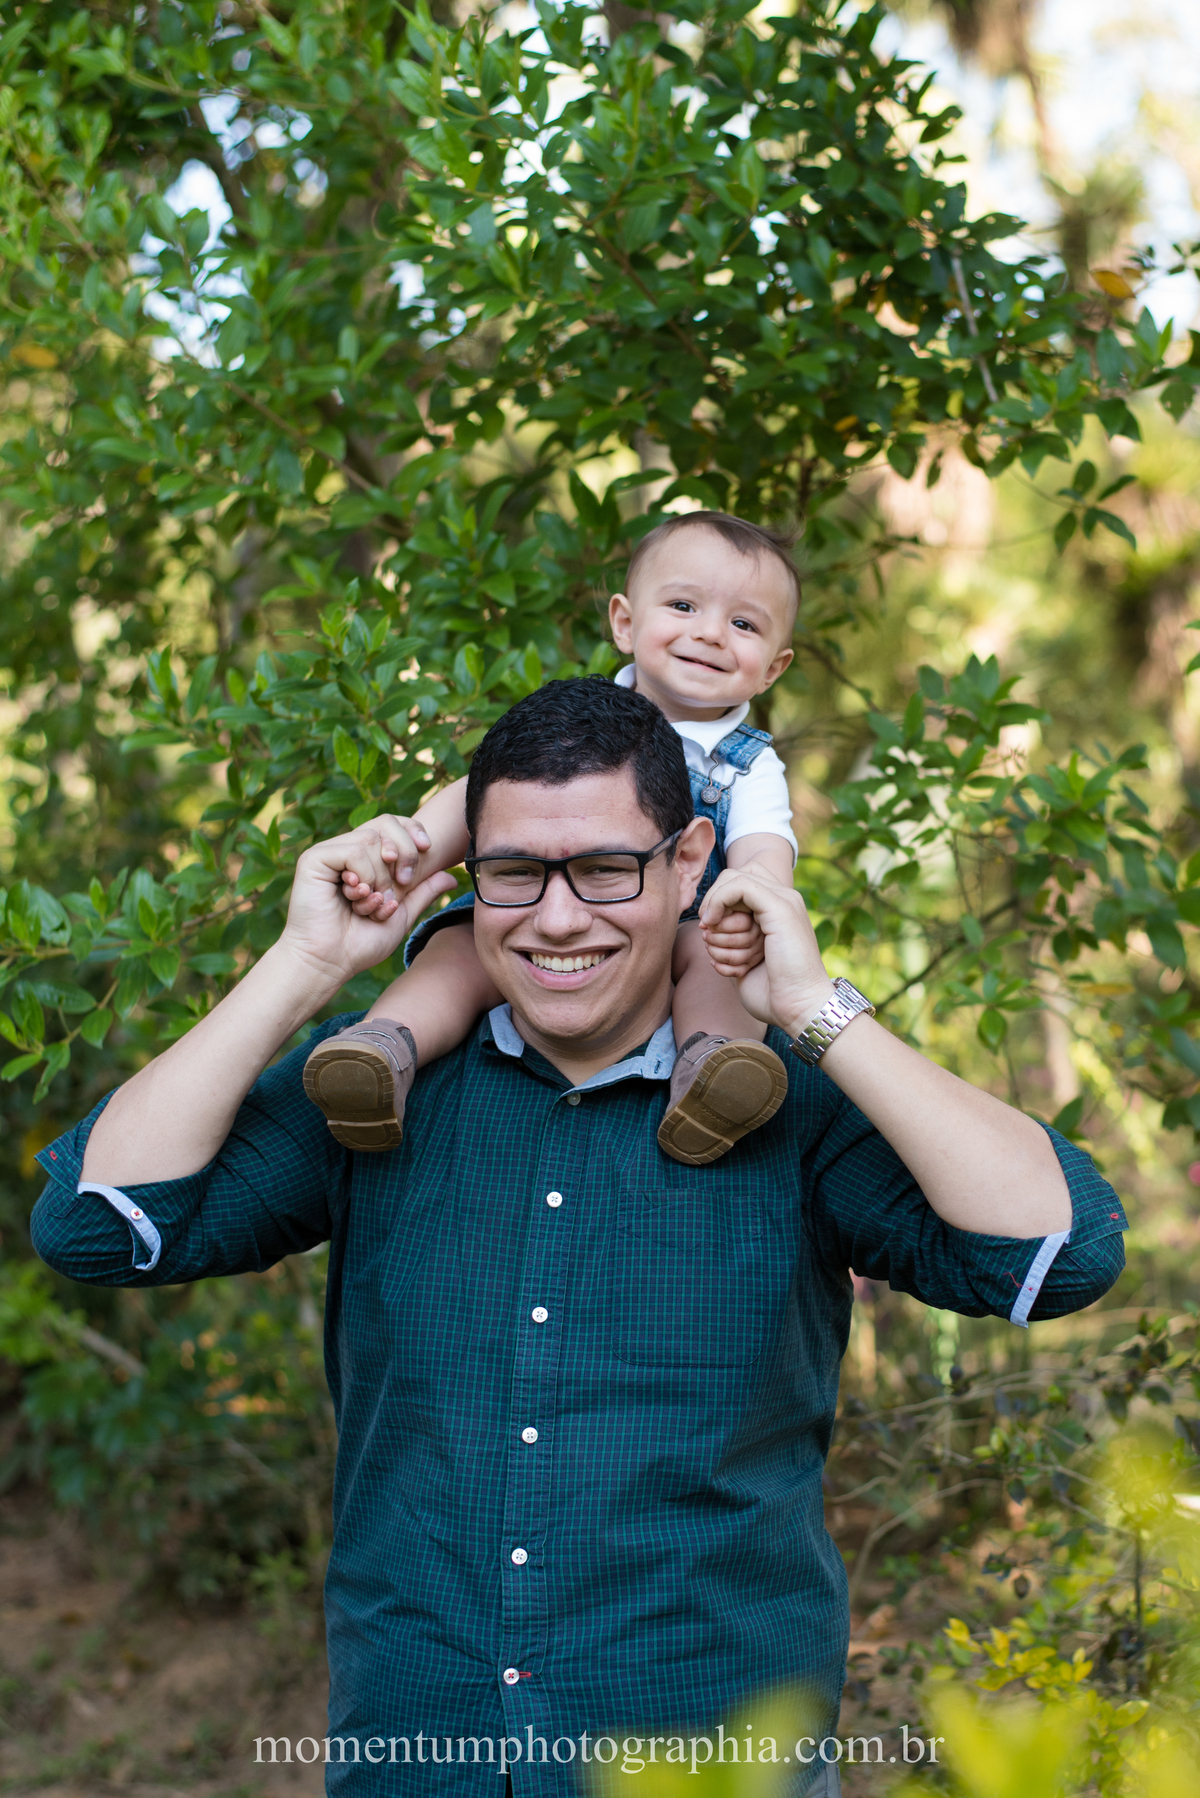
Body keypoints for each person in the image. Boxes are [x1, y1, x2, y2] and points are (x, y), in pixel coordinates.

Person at [31, 678, 1126, 1798]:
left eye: (606, 868)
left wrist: (813, 1009)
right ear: (471, 876)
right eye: (515, 873)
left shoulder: (789, 1106)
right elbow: (96, 1224)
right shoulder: (376, 1090)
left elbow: (1059, 1251)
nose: (558, 917)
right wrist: (307, 967)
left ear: (689, 859)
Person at [302, 512, 802, 1166]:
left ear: (773, 668)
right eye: (683, 605)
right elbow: (477, 798)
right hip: (536, 895)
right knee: (464, 943)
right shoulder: (576, 716)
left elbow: (767, 848)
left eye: (743, 624)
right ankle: (384, 1051)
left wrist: (750, 903)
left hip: (684, 920)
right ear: (624, 621)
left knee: (718, 966)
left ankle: (713, 1075)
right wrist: (407, 850)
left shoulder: (748, 764)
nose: (709, 633)